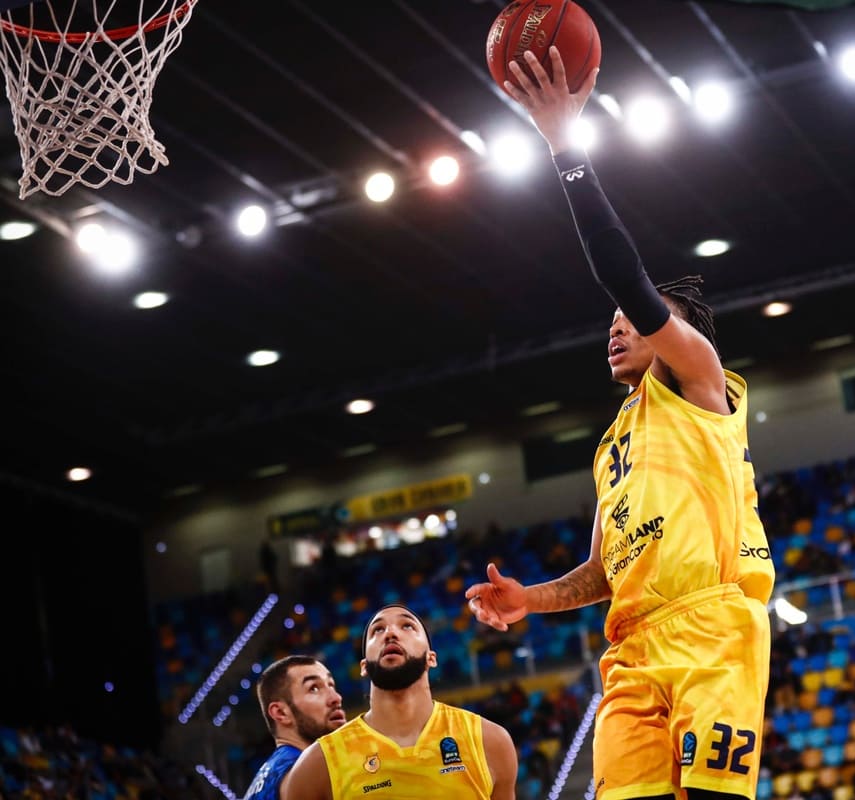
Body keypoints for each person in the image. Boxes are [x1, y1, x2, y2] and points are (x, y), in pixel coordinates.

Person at [465, 46, 775, 800]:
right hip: (631, 650)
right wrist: (530, 599)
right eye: (611, 325)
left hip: (712, 632)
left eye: (631, 325)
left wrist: (562, 143)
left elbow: (621, 273)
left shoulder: (701, 384)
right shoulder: (612, 448)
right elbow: (605, 572)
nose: (616, 331)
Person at [281, 604, 517, 800]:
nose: (390, 633)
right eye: (378, 630)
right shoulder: (318, 764)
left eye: (407, 626)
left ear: (431, 658)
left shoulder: (489, 742)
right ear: (363, 666)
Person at [243, 656, 346, 800]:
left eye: (331, 685)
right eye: (314, 688)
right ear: (281, 713)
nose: (336, 698)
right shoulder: (309, 774)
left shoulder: (274, 774)